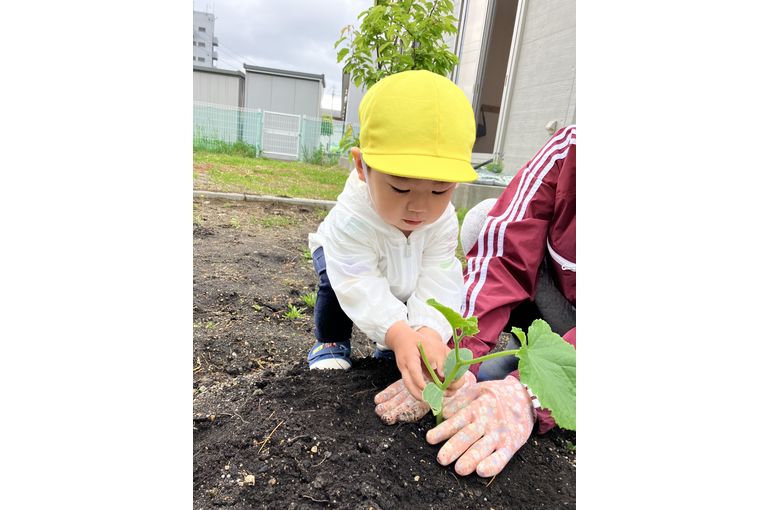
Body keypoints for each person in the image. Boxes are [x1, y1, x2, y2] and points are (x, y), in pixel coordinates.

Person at [373, 125, 577, 477]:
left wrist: (530, 397)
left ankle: (538, 367)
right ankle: (521, 356)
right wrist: (454, 356)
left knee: (534, 384)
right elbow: (505, 253)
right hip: (564, 301)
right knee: (485, 219)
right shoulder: (572, 148)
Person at [306, 70, 480, 402]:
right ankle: (330, 341)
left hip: (403, 267)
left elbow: (438, 274)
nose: (419, 207)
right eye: (400, 188)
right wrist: (398, 332)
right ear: (361, 166)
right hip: (343, 261)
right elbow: (357, 281)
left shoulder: (442, 219)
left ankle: (392, 346)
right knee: (335, 286)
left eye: (439, 190)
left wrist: (428, 330)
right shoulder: (352, 218)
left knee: (406, 292)